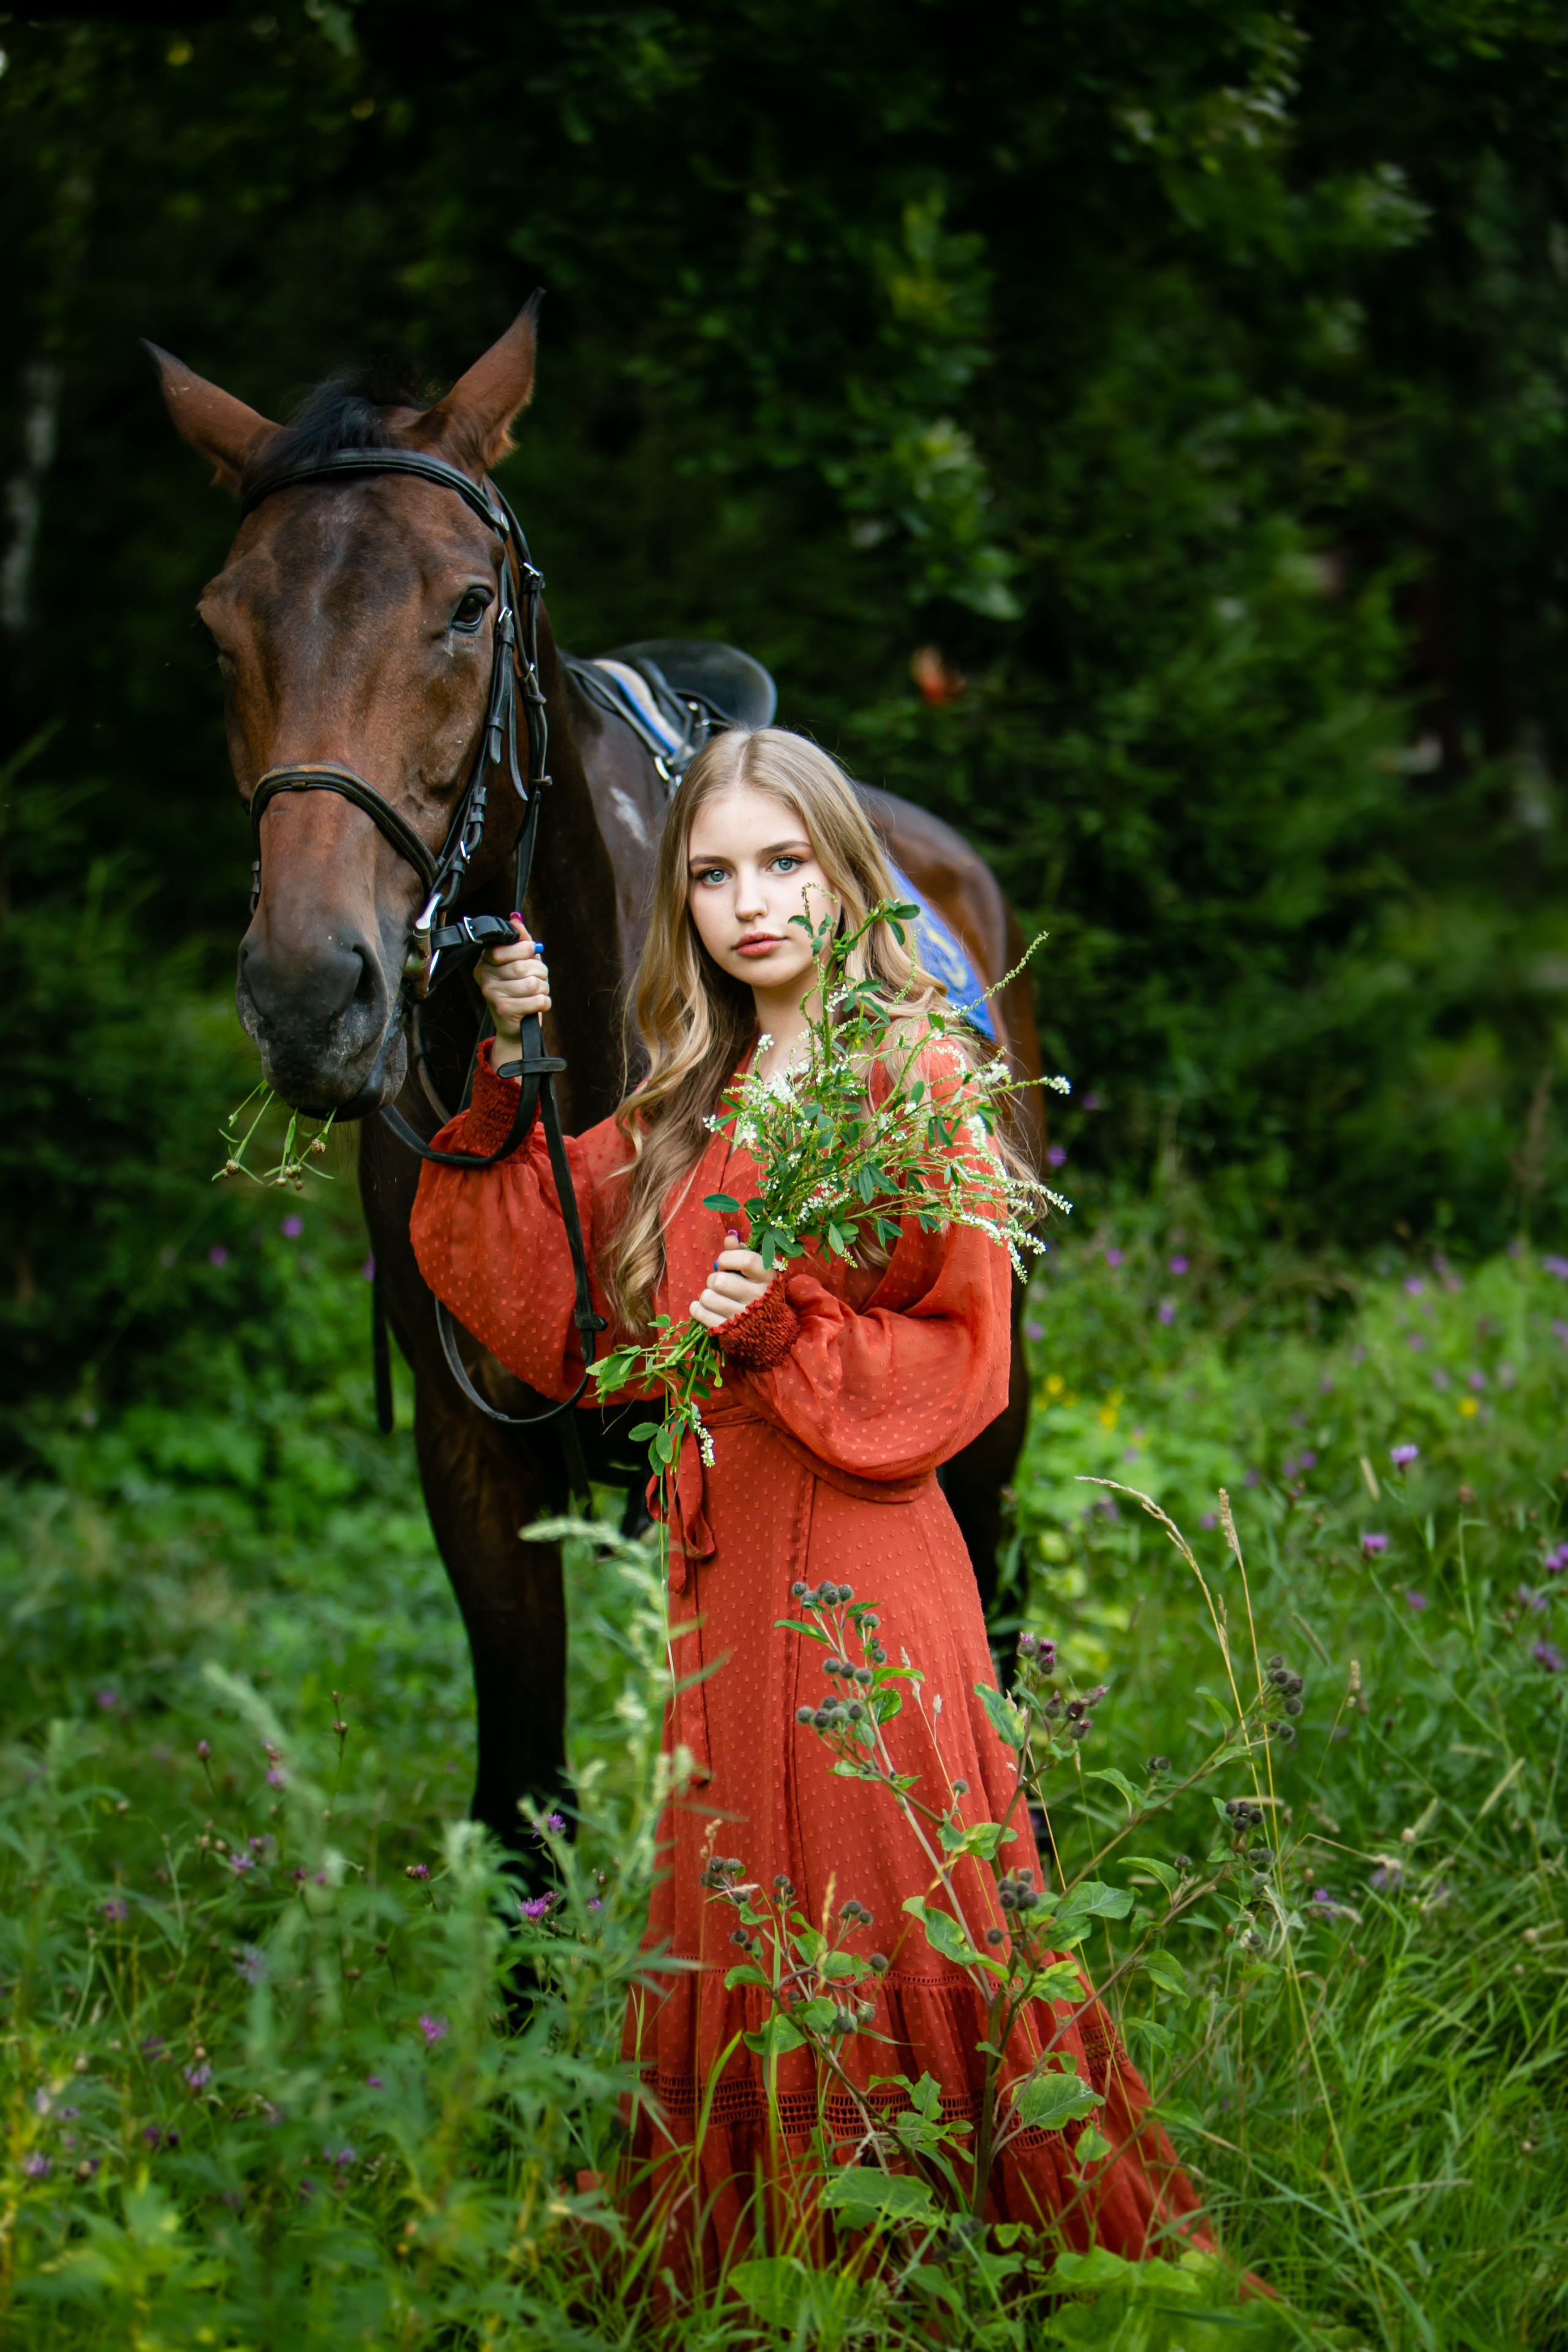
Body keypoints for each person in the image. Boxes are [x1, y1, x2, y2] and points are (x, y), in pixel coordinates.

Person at [410, 726, 1209, 2271]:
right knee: (739, 1897)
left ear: (848, 878)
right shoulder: (689, 1094)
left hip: (864, 1551)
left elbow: (964, 1344)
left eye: (782, 864)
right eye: (712, 875)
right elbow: (549, 1280)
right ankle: (759, 2265)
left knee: (876, 1892)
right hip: (721, 1569)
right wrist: (512, 1059)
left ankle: (935, 2260)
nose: (748, 903)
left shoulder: (911, 1073)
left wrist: (786, 1324)